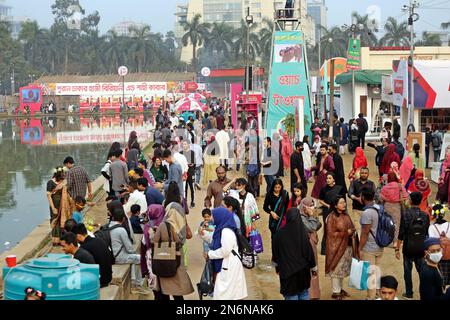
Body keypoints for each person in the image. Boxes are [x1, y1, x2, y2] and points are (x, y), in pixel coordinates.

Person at [154, 185, 194, 300]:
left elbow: (155, 241)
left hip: (164, 258)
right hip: (177, 255)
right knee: (177, 287)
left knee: (165, 287)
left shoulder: (164, 225)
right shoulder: (179, 227)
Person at [202, 207, 247, 300]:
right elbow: (215, 241)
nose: (212, 218)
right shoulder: (221, 229)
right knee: (228, 294)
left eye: (213, 216)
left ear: (220, 217)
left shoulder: (226, 231)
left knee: (225, 294)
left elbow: (225, 250)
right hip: (226, 264)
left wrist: (210, 254)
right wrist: (203, 234)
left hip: (229, 265)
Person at [273, 208, 317, 300]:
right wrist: (313, 268)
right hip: (303, 272)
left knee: (291, 296)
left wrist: (277, 267)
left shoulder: (279, 234)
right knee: (304, 293)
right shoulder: (303, 233)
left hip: (288, 273)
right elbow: (308, 252)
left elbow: (276, 252)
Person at [395, 192, 430, 299]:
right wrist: (426, 248)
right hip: (421, 247)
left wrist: (397, 248)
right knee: (422, 272)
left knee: (407, 271)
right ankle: (424, 293)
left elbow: (401, 233)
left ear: (410, 200)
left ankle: (409, 293)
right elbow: (427, 233)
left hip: (408, 248)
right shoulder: (425, 215)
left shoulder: (406, 214)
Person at [109, 206, 148, 293]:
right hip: (119, 257)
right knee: (141, 259)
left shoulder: (108, 226)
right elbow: (130, 249)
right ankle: (137, 285)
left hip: (112, 256)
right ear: (123, 219)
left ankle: (134, 282)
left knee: (133, 258)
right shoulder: (121, 230)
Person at [325, 197, 356, 300]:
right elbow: (330, 234)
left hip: (347, 247)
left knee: (342, 269)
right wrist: (345, 233)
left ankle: (340, 289)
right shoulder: (331, 217)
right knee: (335, 270)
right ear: (335, 205)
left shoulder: (346, 215)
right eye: (341, 202)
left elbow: (352, 227)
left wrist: (352, 232)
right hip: (335, 248)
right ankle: (335, 292)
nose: (344, 204)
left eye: (344, 202)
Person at [359, 188, 384, 300]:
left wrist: (360, 248)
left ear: (363, 197)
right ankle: (378, 294)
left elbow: (365, 232)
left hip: (370, 246)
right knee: (376, 270)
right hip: (380, 244)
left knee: (371, 274)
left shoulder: (367, 212)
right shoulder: (379, 208)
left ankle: (371, 297)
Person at [74, 223, 113, 288]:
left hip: (100, 281)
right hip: (108, 277)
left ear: (78, 236)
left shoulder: (84, 248)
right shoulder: (98, 240)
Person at [299, 197, 322, 299]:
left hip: (312, 245)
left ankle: (315, 293)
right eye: (310, 206)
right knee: (308, 269)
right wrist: (312, 216)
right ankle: (308, 294)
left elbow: (319, 224)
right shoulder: (300, 217)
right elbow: (311, 227)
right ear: (304, 207)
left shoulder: (309, 216)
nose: (312, 208)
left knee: (314, 267)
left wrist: (312, 216)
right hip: (305, 247)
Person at [318, 173, 346, 255]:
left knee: (337, 229)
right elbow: (320, 200)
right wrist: (327, 205)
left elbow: (343, 201)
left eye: (329, 178)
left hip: (338, 211)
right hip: (327, 211)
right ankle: (324, 250)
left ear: (334, 179)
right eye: (327, 178)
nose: (327, 180)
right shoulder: (323, 189)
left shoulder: (340, 188)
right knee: (327, 229)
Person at [380, 172, 409, 245]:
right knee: (396, 224)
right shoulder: (400, 186)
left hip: (387, 206)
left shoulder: (385, 187)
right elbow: (406, 196)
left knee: (387, 223)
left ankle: (387, 240)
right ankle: (395, 242)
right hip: (397, 206)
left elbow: (381, 198)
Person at [428, 203, 450, 285]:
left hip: (439, 256)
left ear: (433, 214)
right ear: (443, 213)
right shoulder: (449, 225)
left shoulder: (432, 227)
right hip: (449, 254)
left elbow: (431, 242)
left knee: (441, 279)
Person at [263, 179, 290, 244]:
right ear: (273, 187)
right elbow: (265, 207)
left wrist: (286, 217)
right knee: (274, 239)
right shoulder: (269, 195)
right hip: (273, 221)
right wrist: (271, 212)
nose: (277, 189)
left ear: (281, 187)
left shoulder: (285, 194)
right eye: (275, 187)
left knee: (283, 239)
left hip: (283, 220)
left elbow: (287, 207)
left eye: (279, 187)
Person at [46, 167, 66, 245]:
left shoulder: (63, 182)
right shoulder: (50, 182)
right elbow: (48, 195)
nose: (63, 177)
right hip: (54, 203)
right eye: (62, 176)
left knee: (62, 219)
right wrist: (53, 207)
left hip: (62, 204)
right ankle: (55, 239)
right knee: (55, 220)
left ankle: (61, 238)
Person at [181, 140, 196, 208]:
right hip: (184, 173)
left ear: (188, 145)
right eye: (183, 144)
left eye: (185, 144)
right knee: (184, 188)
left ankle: (193, 201)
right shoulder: (180, 153)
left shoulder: (192, 153)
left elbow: (193, 163)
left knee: (192, 187)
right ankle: (185, 201)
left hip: (191, 172)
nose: (184, 145)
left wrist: (190, 165)